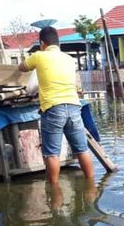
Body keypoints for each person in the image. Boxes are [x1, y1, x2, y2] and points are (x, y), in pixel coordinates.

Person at [18, 26, 94, 184]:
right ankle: (92, 185)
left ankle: (54, 191)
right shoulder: (68, 59)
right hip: (74, 107)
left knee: (52, 154)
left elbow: (22, 68)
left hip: (53, 108)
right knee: (82, 150)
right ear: (58, 43)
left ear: (42, 43)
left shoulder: (39, 56)